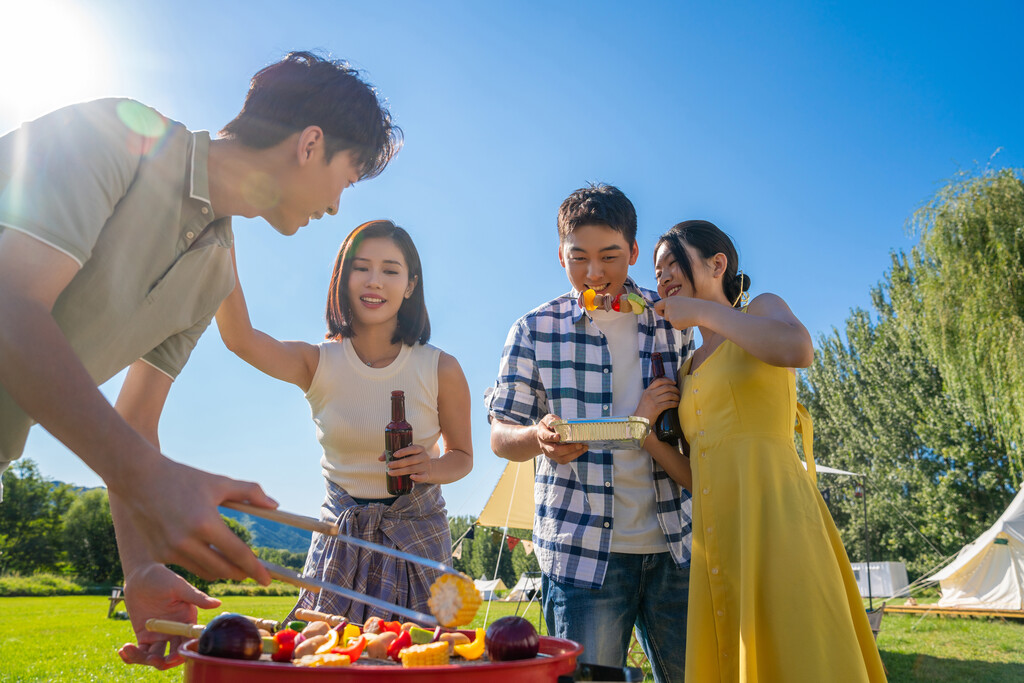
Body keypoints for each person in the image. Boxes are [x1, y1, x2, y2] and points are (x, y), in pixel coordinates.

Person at [0, 51, 401, 668]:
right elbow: (10, 309)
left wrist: (142, 567)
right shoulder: (112, 136)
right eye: (346, 179)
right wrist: (148, 478)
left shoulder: (214, 272)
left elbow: (136, 421)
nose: (336, 208)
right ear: (310, 144)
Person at [652, 220, 887, 681]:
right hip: (717, 537)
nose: (662, 279)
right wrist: (646, 439)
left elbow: (798, 349)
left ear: (717, 264)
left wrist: (702, 314)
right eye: (657, 273)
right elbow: (700, 474)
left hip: (776, 517)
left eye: (672, 265)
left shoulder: (762, 308)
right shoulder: (686, 369)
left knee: (799, 649)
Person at [486, 183, 694, 682]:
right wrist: (538, 438)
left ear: (635, 253)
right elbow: (499, 434)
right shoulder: (534, 330)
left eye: (610, 256)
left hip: (676, 549)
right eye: (579, 257)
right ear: (560, 254)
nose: (595, 272)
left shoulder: (674, 323)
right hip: (582, 560)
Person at [216, 219, 472, 623]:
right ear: (343, 277)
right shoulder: (317, 361)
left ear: (409, 284)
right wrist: (219, 233)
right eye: (361, 267)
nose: (375, 281)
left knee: (418, 662)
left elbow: (462, 456)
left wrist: (432, 466)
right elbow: (239, 338)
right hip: (340, 539)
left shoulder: (441, 367)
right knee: (327, 658)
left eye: (391, 270)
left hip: (418, 538)